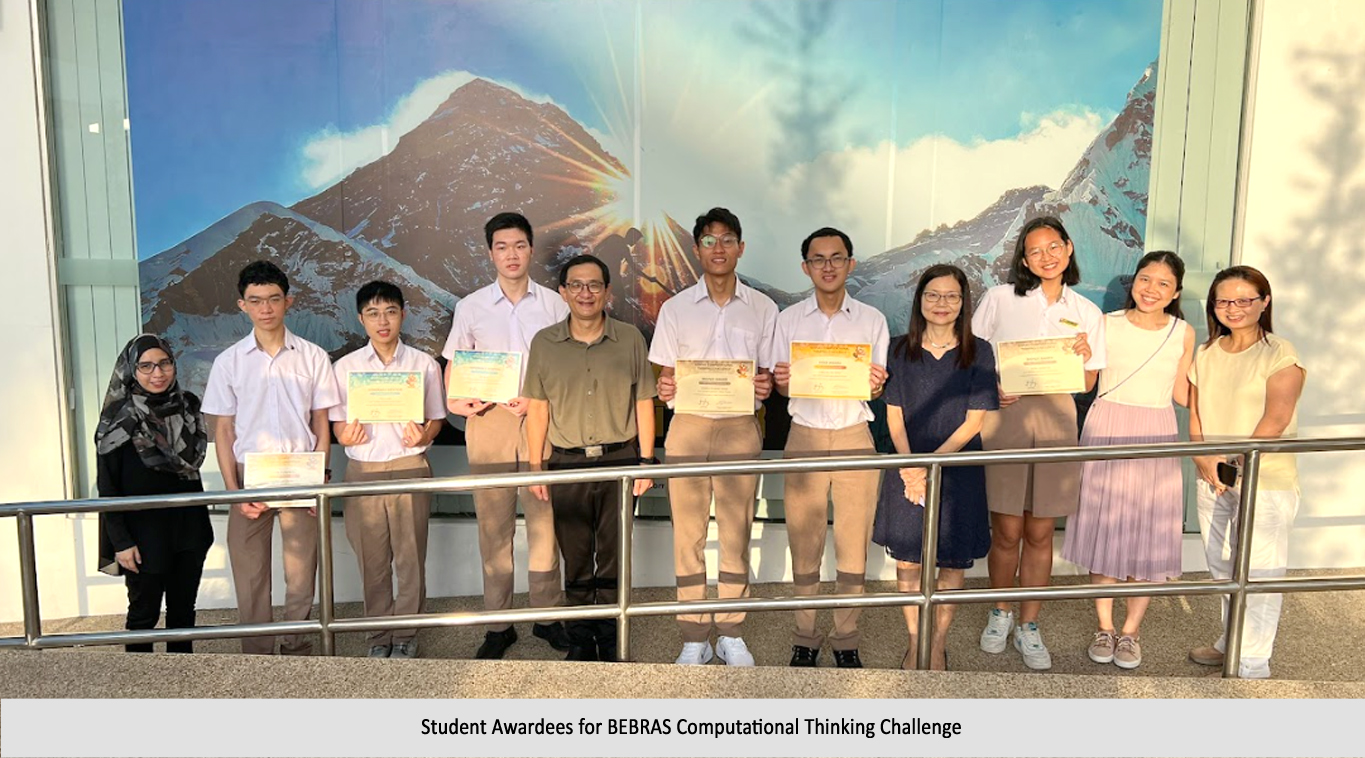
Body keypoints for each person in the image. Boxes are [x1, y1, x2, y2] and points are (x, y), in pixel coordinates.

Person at [971, 216, 1104, 670]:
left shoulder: (1086, 312)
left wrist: (1085, 356)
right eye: (1035, 251)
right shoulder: (1000, 298)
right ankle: (1000, 612)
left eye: (1053, 247)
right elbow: (973, 357)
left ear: (1069, 248)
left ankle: (1029, 623)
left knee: (1041, 531)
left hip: (1056, 418)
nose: (1045, 257)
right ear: (1024, 260)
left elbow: (1088, 383)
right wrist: (991, 387)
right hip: (1006, 415)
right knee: (1007, 529)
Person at [650, 207, 777, 667]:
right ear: (696, 249)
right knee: (687, 536)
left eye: (726, 240)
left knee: (736, 532)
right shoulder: (675, 308)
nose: (718, 248)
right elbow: (665, 374)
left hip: (740, 426)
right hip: (687, 426)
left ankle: (731, 631)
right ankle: (693, 635)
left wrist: (766, 385)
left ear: (740, 248)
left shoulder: (764, 308)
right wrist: (666, 388)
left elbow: (769, 375)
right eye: (708, 240)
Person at [442, 212, 571, 659]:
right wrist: (456, 401)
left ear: (531, 249)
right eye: (502, 247)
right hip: (491, 420)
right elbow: (456, 363)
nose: (511, 254)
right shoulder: (471, 306)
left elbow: (566, 364)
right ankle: (498, 624)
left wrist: (537, 399)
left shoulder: (555, 304)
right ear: (490, 253)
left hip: (542, 418)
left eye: (519, 245)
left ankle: (548, 616)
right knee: (493, 526)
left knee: (544, 523)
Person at [1061, 251, 1196, 670]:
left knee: (1149, 533)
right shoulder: (1106, 324)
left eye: (1163, 283)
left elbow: (1182, 394)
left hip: (1156, 430)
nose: (1151, 289)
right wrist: (1079, 356)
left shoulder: (1182, 332)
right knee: (1104, 526)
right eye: (1145, 279)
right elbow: (1086, 383)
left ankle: (1131, 631)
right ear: (1134, 282)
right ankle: (1105, 626)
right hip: (1106, 424)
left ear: (1176, 292)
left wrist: (1230, 389)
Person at [202, 260, 341, 655]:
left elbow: (321, 423)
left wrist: (319, 478)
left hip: (301, 471)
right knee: (250, 573)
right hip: (250, 475)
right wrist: (234, 492)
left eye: (274, 299)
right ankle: (258, 654)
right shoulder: (228, 362)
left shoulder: (312, 356)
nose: (265, 308)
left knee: (302, 571)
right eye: (256, 300)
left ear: (288, 302)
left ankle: (296, 646)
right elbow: (223, 430)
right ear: (242, 305)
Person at [524, 254, 657, 662]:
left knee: (615, 554)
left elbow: (644, 401)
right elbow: (538, 408)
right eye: (576, 285)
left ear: (607, 292)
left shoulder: (630, 339)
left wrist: (646, 462)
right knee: (576, 554)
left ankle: (612, 634)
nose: (586, 293)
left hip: (620, 460)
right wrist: (535, 468)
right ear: (563, 292)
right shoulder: (544, 343)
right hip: (567, 463)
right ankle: (581, 637)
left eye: (594, 285)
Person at [769, 227, 888, 668]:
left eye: (837, 257)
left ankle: (845, 638)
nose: (828, 266)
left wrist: (876, 384)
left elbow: (875, 389)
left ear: (850, 264)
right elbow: (782, 387)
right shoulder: (788, 320)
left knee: (854, 545)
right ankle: (805, 635)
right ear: (806, 268)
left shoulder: (872, 320)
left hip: (856, 435)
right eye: (818, 259)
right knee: (804, 544)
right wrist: (782, 382)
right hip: (805, 436)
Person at [873, 265, 997, 671]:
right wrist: (912, 468)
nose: (941, 303)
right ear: (920, 299)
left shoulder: (979, 351)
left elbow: (974, 422)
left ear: (963, 303)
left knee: (951, 561)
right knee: (908, 561)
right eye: (933, 294)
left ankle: (938, 642)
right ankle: (915, 640)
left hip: (957, 469)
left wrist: (930, 467)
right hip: (907, 467)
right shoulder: (898, 349)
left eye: (951, 296)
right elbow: (894, 418)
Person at [1187, 265, 1305, 679]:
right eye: (1223, 300)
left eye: (1244, 300)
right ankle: (1231, 640)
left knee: (1259, 571)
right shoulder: (1206, 353)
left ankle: (1252, 663)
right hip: (1212, 476)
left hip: (1263, 478)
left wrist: (1232, 462)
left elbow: (1276, 418)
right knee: (1222, 565)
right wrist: (1204, 460)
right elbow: (1196, 414)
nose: (1233, 308)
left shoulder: (1280, 353)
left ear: (1264, 302)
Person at [331, 281, 446, 659]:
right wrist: (343, 433)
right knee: (372, 559)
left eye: (390, 312)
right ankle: (378, 635)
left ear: (403, 315)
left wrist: (425, 434)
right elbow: (337, 423)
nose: (383, 322)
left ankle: (407, 634)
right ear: (361, 318)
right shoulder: (345, 368)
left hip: (409, 465)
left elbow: (436, 418)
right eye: (374, 313)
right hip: (363, 470)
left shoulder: (423, 364)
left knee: (410, 558)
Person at [95, 334, 213, 653]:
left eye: (164, 363)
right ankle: (140, 679)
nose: (157, 373)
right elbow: (107, 487)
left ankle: (181, 676)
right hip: (142, 533)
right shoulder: (118, 419)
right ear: (131, 370)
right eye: (146, 366)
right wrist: (120, 542)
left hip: (189, 528)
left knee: (183, 614)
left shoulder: (188, 406)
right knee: (142, 614)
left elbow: (192, 466)